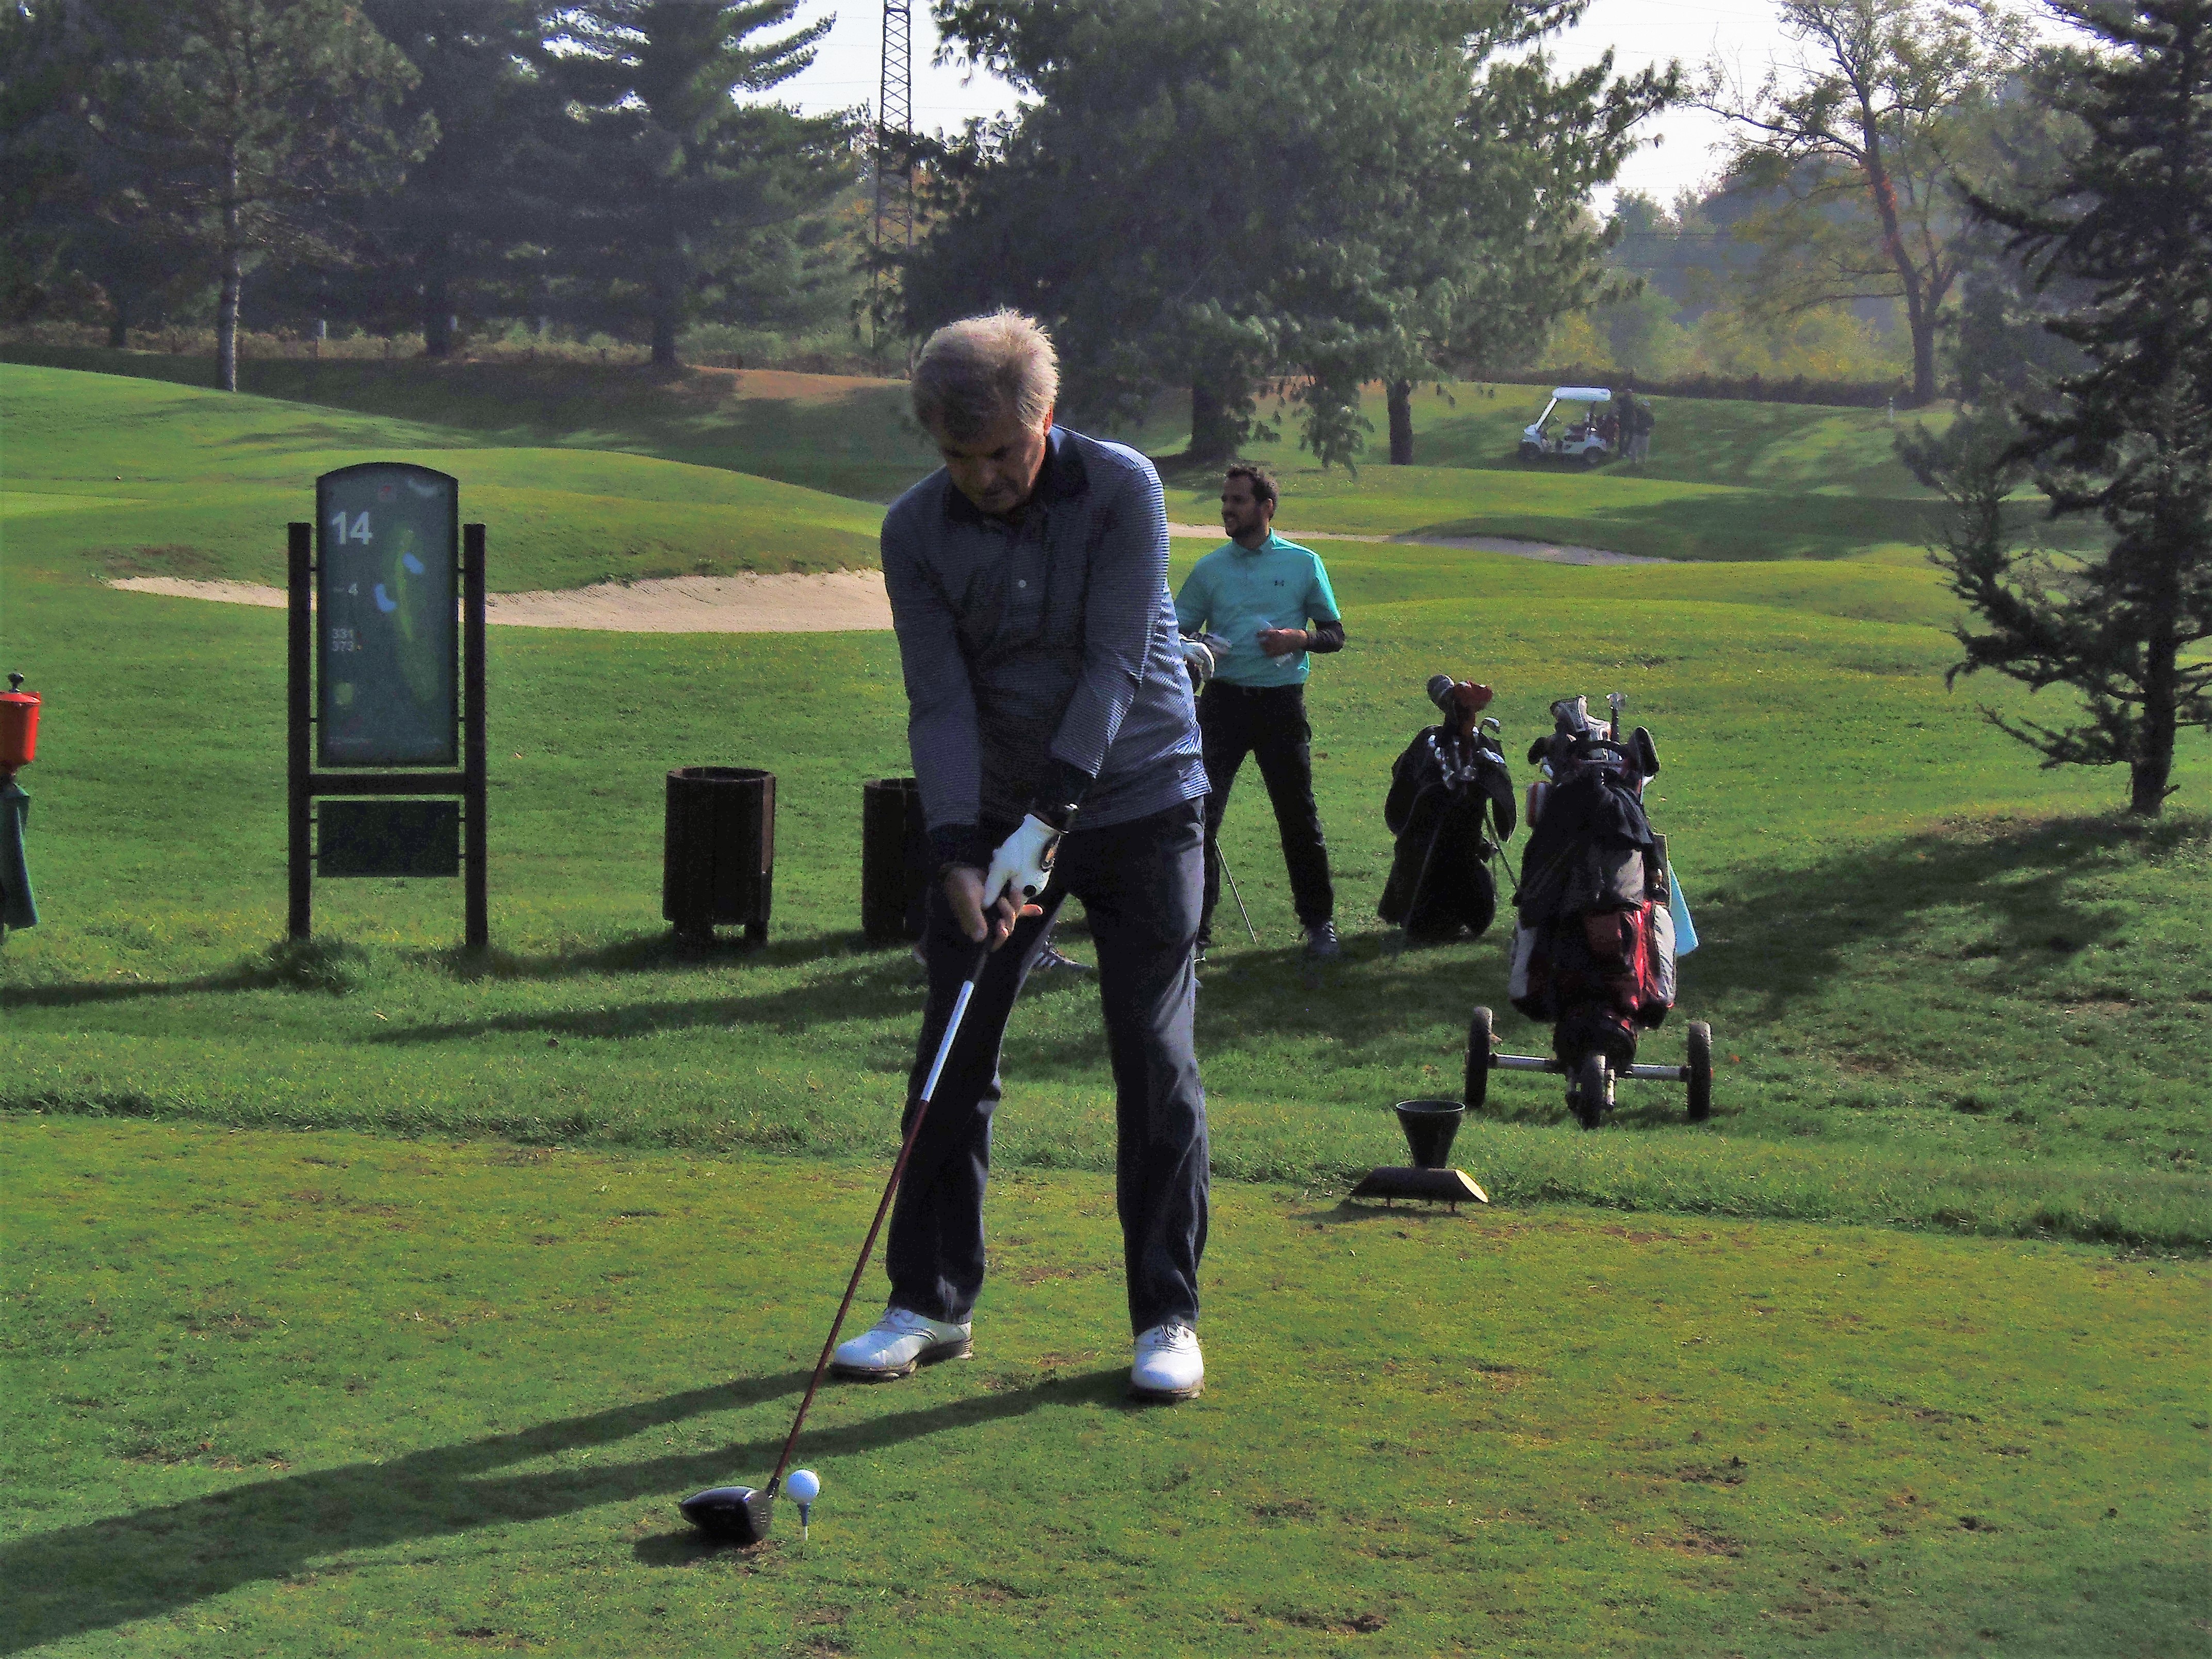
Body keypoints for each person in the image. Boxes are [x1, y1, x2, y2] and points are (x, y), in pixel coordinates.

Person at [834, 310, 1213, 1403]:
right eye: (958, 457)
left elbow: (1112, 667)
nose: (983, 477)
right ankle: (929, 1303)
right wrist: (958, 849)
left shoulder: (1122, 487)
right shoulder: (913, 531)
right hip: (994, 813)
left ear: (1044, 416)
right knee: (951, 1054)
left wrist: (1046, 822)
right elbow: (939, 702)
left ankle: (1166, 1315)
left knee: (1152, 1055)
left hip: (1143, 798)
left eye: (1001, 450)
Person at [1174, 464, 1346, 960]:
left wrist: (1299, 638)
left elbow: (1334, 634)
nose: (1228, 509)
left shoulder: (1303, 563)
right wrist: (1196, 645)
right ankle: (1196, 933)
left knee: (1298, 817)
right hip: (1223, 704)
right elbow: (1174, 634)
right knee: (1200, 818)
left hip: (1280, 706)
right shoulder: (1210, 569)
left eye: (1238, 501)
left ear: (1266, 508)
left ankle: (1319, 924)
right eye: (1225, 501)